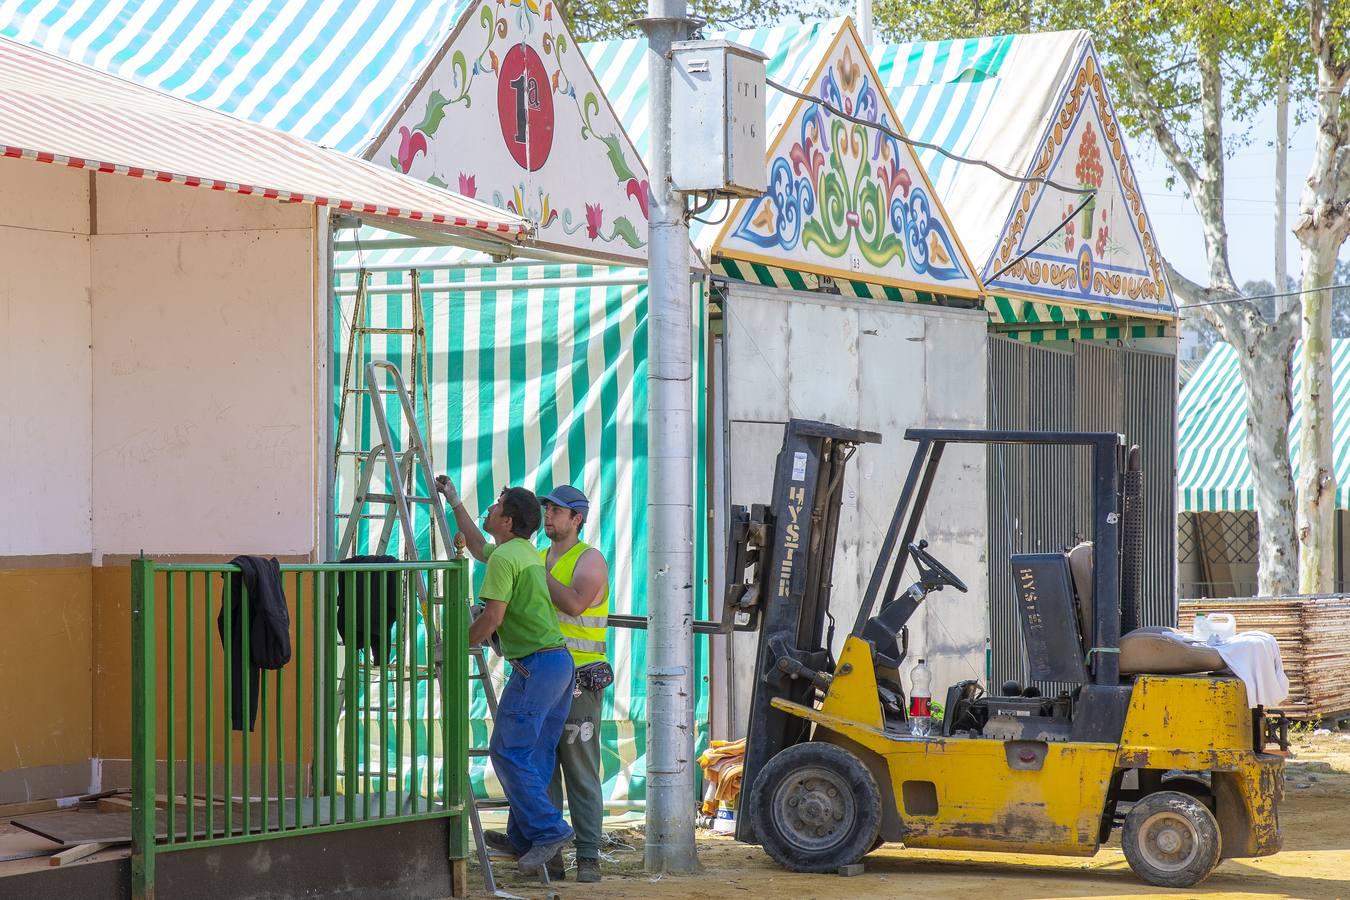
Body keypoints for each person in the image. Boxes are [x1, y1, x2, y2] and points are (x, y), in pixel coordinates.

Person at [436, 475, 574, 876]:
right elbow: (480, 547)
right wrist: (454, 501)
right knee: (534, 755)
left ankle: (548, 831)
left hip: (536, 666)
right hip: (557, 664)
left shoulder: (505, 557)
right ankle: (523, 838)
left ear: (508, 521)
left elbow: (493, 617)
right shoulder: (521, 551)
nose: (489, 510)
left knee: (506, 752)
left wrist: (457, 644)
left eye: (495, 507)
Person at [537, 485, 611, 884]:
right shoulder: (539, 557)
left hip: (580, 679)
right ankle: (551, 855)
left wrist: (534, 573)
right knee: (543, 769)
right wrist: (457, 505)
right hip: (544, 676)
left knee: (580, 770)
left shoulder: (590, 560)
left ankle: (587, 857)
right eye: (546, 508)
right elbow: (488, 552)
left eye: (557, 510)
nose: (548, 515)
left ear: (576, 519)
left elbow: (574, 604)